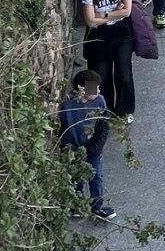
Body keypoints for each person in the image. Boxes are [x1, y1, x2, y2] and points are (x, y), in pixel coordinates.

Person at [80, 0, 135, 121]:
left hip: (121, 31)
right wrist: (113, 14)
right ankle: (105, 110)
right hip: (98, 35)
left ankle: (125, 110)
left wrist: (102, 14)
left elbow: (127, 12)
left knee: (124, 72)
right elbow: (89, 21)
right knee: (99, 74)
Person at [59, 70, 115, 221]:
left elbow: (104, 126)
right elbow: (64, 129)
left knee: (96, 177)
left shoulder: (100, 101)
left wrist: (95, 147)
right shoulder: (67, 106)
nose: (98, 90)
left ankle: (97, 206)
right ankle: (77, 205)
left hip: (93, 148)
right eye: (94, 87)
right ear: (82, 89)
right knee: (77, 177)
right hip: (74, 149)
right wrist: (70, 149)